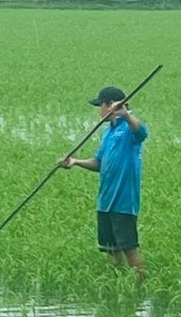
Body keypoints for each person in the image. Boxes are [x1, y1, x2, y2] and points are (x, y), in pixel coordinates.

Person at [58, 85, 149, 279]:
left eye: (101, 106)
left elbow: (141, 132)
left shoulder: (129, 129)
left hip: (123, 201)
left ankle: (141, 283)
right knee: (110, 249)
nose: (99, 111)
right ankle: (118, 282)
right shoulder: (107, 131)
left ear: (109, 106)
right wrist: (75, 162)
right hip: (105, 200)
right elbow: (99, 163)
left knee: (129, 248)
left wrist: (125, 114)